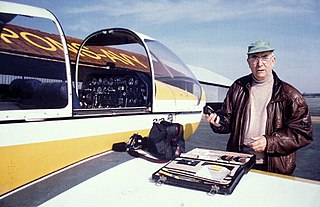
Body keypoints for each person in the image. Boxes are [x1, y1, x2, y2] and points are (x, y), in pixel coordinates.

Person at [204, 40, 313, 175]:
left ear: (273, 60)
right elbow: (228, 121)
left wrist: (269, 142)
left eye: (265, 57)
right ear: (248, 62)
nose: (260, 63)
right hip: (239, 162)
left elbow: (303, 134)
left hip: (274, 166)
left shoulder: (290, 95)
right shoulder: (238, 87)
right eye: (254, 57)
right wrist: (217, 121)